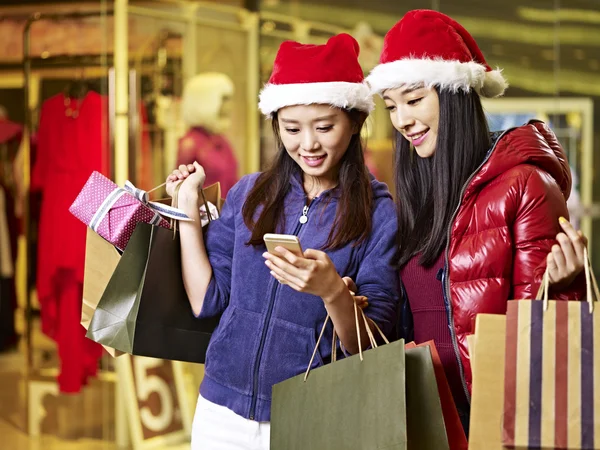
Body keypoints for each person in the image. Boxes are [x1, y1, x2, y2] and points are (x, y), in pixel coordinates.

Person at [357, 9, 588, 433]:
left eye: (414, 99)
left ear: (454, 94)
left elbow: (545, 336)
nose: (402, 120)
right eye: (391, 106)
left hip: (494, 421)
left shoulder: (525, 186)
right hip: (422, 418)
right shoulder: (415, 196)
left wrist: (565, 284)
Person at [166, 34, 399, 449]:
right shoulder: (249, 194)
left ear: (355, 122)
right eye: (292, 128)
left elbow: (372, 343)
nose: (307, 144)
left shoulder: (379, 215)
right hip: (219, 409)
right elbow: (206, 300)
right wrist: (187, 209)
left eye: (325, 127)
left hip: (311, 416)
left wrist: (332, 292)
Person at [177, 73, 239, 197]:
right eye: (224, 99)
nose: (229, 105)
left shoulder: (221, 141)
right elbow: (181, 193)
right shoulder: (190, 144)